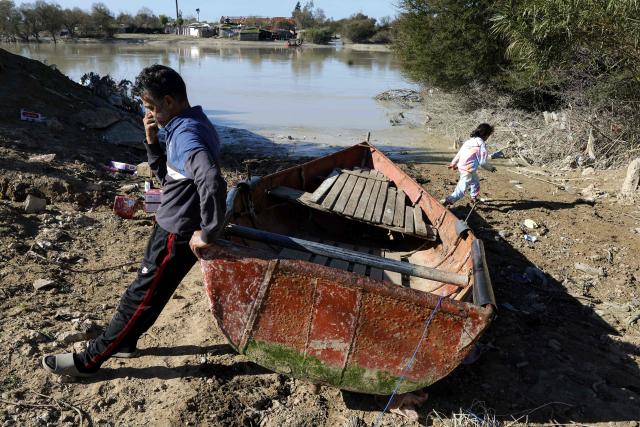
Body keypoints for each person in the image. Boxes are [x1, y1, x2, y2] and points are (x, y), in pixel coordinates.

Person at [42, 65, 228, 377]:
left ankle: (88, 361)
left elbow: (211, 180)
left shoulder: (187, 134)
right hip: (173, 227)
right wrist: (152, 139)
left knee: (138, 297)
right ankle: (126, 342)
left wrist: (209, 231)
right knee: (153, 292)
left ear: (169, 101)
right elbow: (168, 178)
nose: (147, 112)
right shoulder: (192, 122)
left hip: (176, 232)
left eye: (150, 106)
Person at [443, 123, 496, 206]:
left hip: (462, 166)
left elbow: (459, 153)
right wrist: (491, 168)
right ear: (486, 135)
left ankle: (474, 198)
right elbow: (483, 162)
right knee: (461, 190)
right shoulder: (481, 145)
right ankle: (447, 201)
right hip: (468, 170)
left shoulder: (469, 141)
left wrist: (453, 163)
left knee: (475, 182)